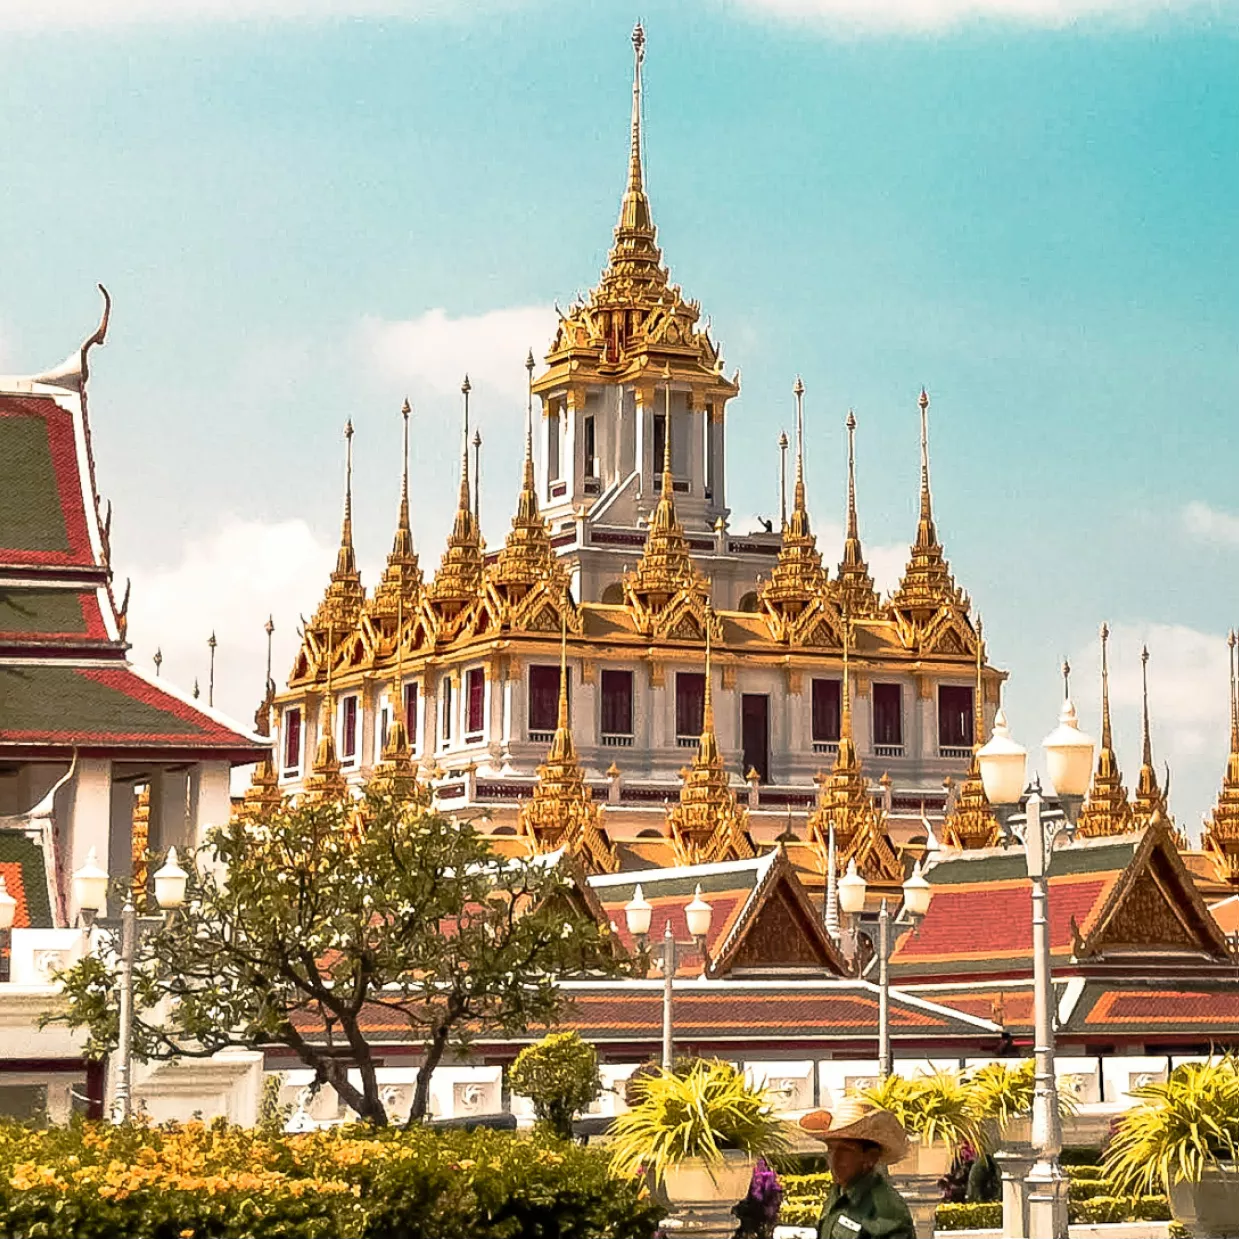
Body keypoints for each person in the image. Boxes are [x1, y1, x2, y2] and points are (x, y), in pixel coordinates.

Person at [798, 1098, 916, 1239]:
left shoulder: (888, 1211)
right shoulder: (838, 1193)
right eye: (831, 1149)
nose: (834, 1158)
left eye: (845, 1151)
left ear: (871, 1157)